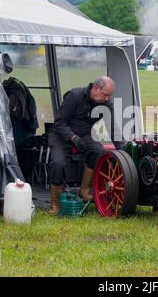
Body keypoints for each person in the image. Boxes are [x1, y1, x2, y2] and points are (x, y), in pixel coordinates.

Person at [48, 76, 126, 213]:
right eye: (105, 95)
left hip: (85, 135)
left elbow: (113, 128)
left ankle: (85, 190)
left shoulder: (106, 104)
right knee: (58, 163)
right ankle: (55, 203)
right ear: (96, 89)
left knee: (98, 151)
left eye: (109, 96)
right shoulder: (74, 96)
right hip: (61, 135)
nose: (108, 99)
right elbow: (59, 123)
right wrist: (72, 138)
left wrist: (124, 152)